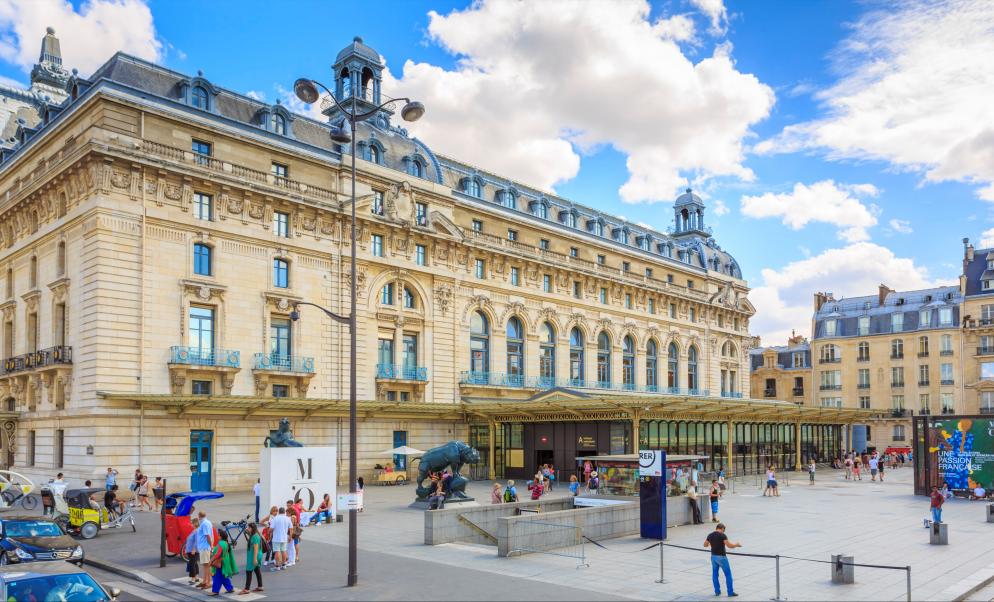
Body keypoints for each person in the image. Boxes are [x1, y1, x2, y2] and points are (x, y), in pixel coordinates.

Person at [704, 523, 741, 597]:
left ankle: (717, 592)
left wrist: (712, 544)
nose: (724, 532)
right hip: (722, 558)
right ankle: (730, 592)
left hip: (713, 557)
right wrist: (736, 545)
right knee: (728, 575)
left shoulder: (710, 535)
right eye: (724, 530)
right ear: (722, 529)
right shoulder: (722, 535)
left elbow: (705, 545)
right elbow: (729, 545)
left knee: (715, 574)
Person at [208, 530, 237, 596]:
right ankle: (230, 588)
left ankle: (215, 591)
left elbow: (218, 554)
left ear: (221, 536)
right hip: (225, 562)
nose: (217, 536)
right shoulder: (226, 543)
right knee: (224, 576)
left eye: (218, 535)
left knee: (217, 577)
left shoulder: (221, 543)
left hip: (220, 562)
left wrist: (211, 560)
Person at [240, 522, 264, 594]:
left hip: (254, 555)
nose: (248, 528)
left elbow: (256, 547)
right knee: (257, 569)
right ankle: (260, 586)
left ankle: (247, 589)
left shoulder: (255, 536)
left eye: (249, 527)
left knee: (249, 570)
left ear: (252, 528)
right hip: (255, 555)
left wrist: (254, 559)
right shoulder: (254, 535)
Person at [268, 507, 291, 571]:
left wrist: (268, 532)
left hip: (276, 538)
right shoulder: (287, 518)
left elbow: (271, 528)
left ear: (279, 512)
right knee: (284, 551)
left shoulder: (275, 518)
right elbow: (291, 528)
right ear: (284, 512)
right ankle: (284, 565)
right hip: (284, 537)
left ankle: (277, 566)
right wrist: (290, 536)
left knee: (277, 551)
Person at [196, 510, 215, 588]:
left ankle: (209, 582)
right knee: (205, 565)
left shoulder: (204, 524)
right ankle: (205, 581)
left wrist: (211, 546)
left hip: (205, 547)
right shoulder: (207, 522)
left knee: (207, 565)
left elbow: (207, 536)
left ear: (199, 516)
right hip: (204, 547)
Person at [183, 516, 200, 585]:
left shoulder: (196, 531)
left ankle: (193, 578)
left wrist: (194, 549)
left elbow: (196, 541)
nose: (191, 524)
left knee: (192, 564)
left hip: (193, 550)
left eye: (192, 523)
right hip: (191, 550)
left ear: (195, 523)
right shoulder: (194, 530)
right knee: (194, 563)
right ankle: (196, 577)